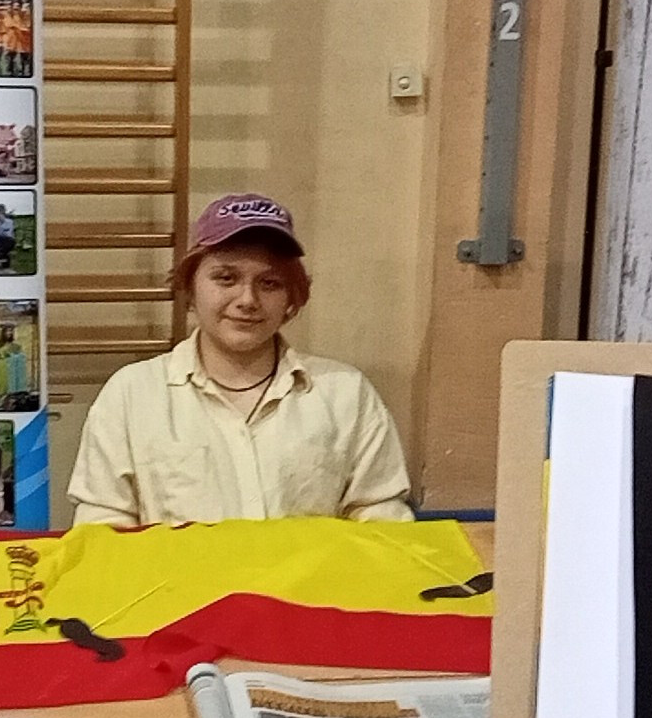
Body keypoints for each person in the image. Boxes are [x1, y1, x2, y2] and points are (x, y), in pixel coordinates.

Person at [67, 193, 415, 526]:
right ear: (190, 288)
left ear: (291, 298)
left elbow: (382, 520)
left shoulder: (346, 395)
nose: (247, 299)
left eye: (270, 283)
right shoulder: (131, 395)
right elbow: (104, 527)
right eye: (226, 278)